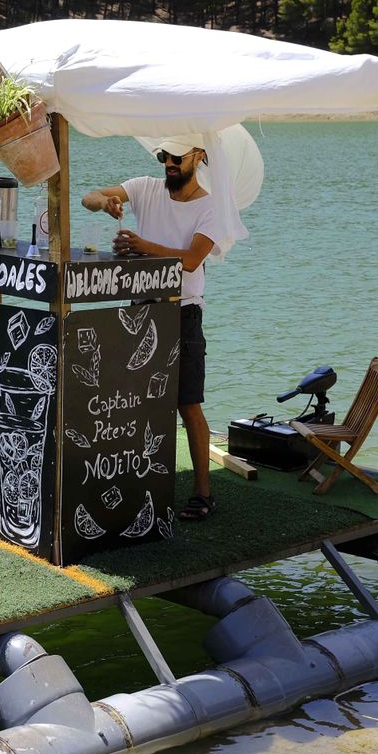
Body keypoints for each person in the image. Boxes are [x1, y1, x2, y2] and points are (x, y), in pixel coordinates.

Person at [81, 137, 222, 520]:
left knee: (188, 404)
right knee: (134, 401)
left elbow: (192, 260)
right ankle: (136, 484)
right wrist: (106, 202)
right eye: (164, 156)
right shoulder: (145, 187)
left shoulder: (211, 208)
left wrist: (143, 246)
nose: (169, 163)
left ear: (199, 157)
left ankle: (203, 493)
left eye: (177, 157)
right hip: (140, 311)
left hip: (183, 312)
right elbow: (88, 197)